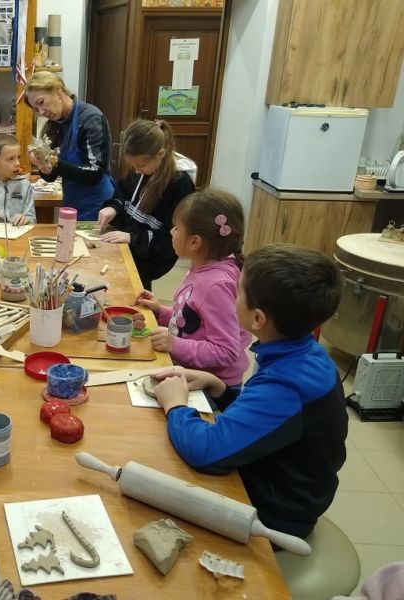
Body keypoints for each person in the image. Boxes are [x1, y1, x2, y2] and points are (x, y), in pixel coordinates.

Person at [152, 244, 347, 539]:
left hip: (273, 515)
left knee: (151, 480)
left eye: (238, 292)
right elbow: (268, 420)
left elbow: (205, 451)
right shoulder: (302, 353)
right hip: (273, 480)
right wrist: (218, 387)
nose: (233, 298)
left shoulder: (287, 384)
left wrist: (176, 406)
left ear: (258, 319)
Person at [135, 189, 251, 388]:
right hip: (192, 371)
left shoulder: (216, 285)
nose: (171, 232)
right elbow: (195, 320)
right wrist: (161, 312)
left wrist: (174, 344)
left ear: (195, 242)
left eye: (177, 228)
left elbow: (226, 351)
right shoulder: (203, 268)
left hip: (213, 386)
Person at [97, 119, 196, 291]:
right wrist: (113, 208)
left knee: (132, 291)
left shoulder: (181, 184)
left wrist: (132, 238)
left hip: (150, 258)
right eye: (133, 165)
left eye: (141, 165)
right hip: (129, 248)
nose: (136, 170)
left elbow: (170, 238)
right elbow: (123, 194)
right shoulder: (143, 167)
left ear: (161, 153)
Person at [25, 71, 114, 221]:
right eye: (36, 108)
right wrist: (43, 166)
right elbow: (51, 177)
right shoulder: (52, 126)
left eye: (41, 102)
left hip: (98, 208)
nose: (41, 111)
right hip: (71, 205)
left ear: (58, 91)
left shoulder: (90, 119)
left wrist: (56, 164)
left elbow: (95, 173)